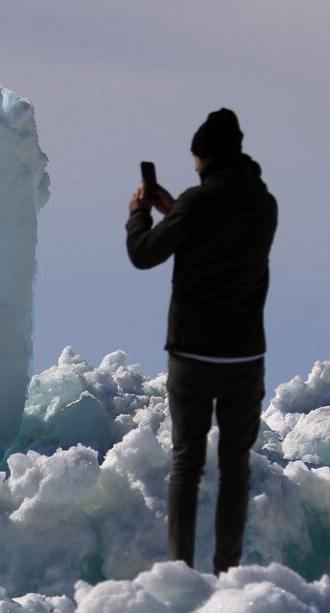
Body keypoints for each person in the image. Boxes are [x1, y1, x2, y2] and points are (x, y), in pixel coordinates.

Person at [126, 108, 278, 573]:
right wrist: (176, 210)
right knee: (236, 467)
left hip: (193, 352)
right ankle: (227, 570)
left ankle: (180, 569)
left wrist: (139, 215)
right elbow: (222, 239)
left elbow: (144, 254)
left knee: (187, 464)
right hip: (244, 356)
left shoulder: (198, 202)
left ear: (204, 156)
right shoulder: (264, 203)